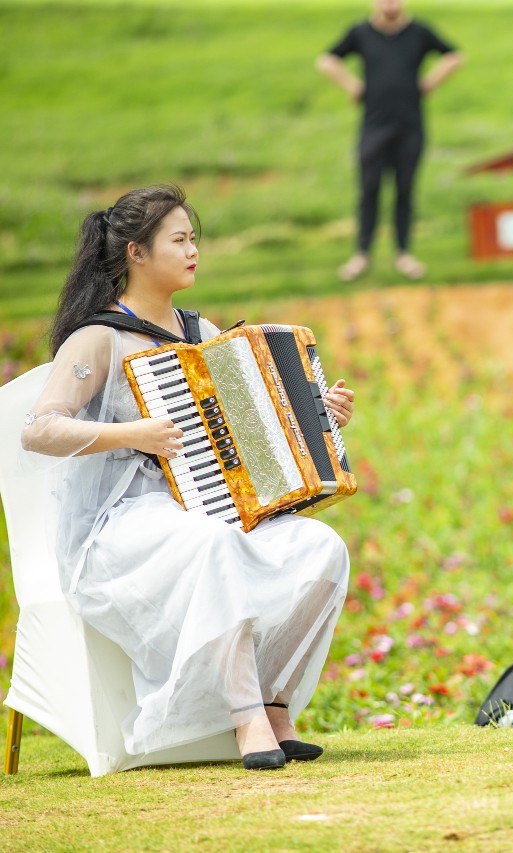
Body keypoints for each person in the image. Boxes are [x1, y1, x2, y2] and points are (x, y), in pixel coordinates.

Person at [20, 185, 356, 771]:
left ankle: (276, 710)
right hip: (119, 525)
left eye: (193, 238)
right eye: (180, 240)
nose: (194, 250)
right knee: (215, 544)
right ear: (136, 253)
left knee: (321, 546)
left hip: (201, 510)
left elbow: (246, 427)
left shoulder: (200, 332)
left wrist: (318, 413)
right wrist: (131, 435)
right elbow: (40, 430)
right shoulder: (99, 337)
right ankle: (245, 719)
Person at [317, 0, 465, 282]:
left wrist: (430, 82)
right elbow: (327, 59)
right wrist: (352, 86)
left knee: (405, 190)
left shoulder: (419, 31)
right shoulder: (361, 32)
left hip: (410, 125)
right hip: (374, 126)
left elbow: (454, 56)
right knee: (369, 190)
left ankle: (404, 254)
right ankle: (361, 255)